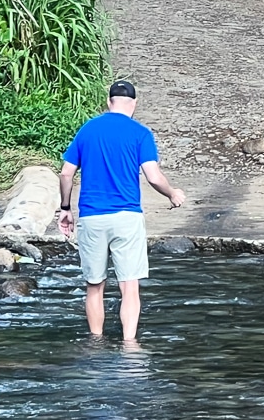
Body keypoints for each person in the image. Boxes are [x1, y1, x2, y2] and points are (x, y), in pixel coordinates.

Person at [58, 80, 185, 341]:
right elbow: (152, 176)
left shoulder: (88, 130)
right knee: (130, 287)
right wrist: (172, 193)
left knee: (94, 286)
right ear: (134, 104)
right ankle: (129, 344)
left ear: (108, 101)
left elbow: (66, 173)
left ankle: (95, 341)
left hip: (92, 217)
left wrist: (65, 208)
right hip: (127, 217)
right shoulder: (140, 133)